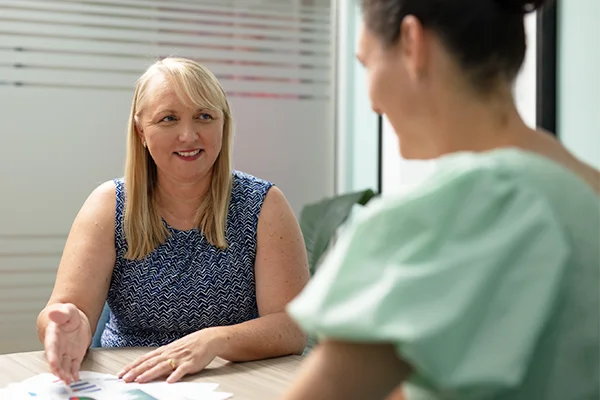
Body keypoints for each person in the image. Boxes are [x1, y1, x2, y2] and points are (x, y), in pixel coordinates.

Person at [280, 0, 600, 399]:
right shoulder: (586, 188)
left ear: (413, 42)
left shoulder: (473, 203)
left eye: (366, 65)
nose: (372, 104)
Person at [36, 57, 310, 385]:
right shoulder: (109, 206)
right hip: (131, 384)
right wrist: (67, 326)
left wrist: (214, 340)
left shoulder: (263, 205)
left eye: (204, 116)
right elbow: (66, 309)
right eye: (168, 119)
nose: (188, 135)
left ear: (223, 123)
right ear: (141, 132)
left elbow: (292, 327)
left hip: (232, 382)